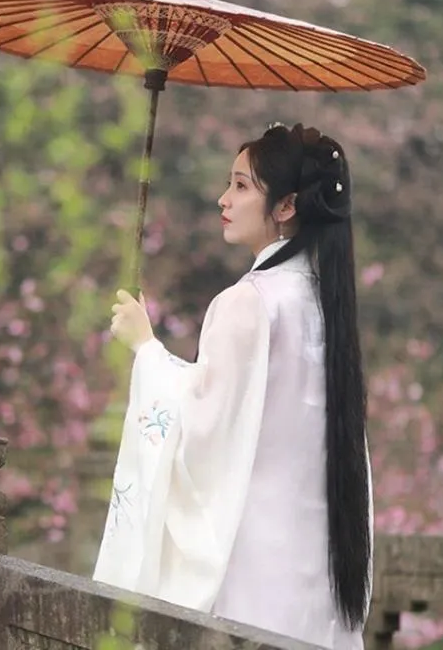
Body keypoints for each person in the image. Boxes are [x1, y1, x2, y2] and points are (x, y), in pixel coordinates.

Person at [93, 123, 373, 649]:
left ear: (286, 205)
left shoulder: (249, 301)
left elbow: (203, 425)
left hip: (251, 559)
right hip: (319, 562)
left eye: (242, 186)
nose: (224, 199)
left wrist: (145, 349)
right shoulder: (323, 302)